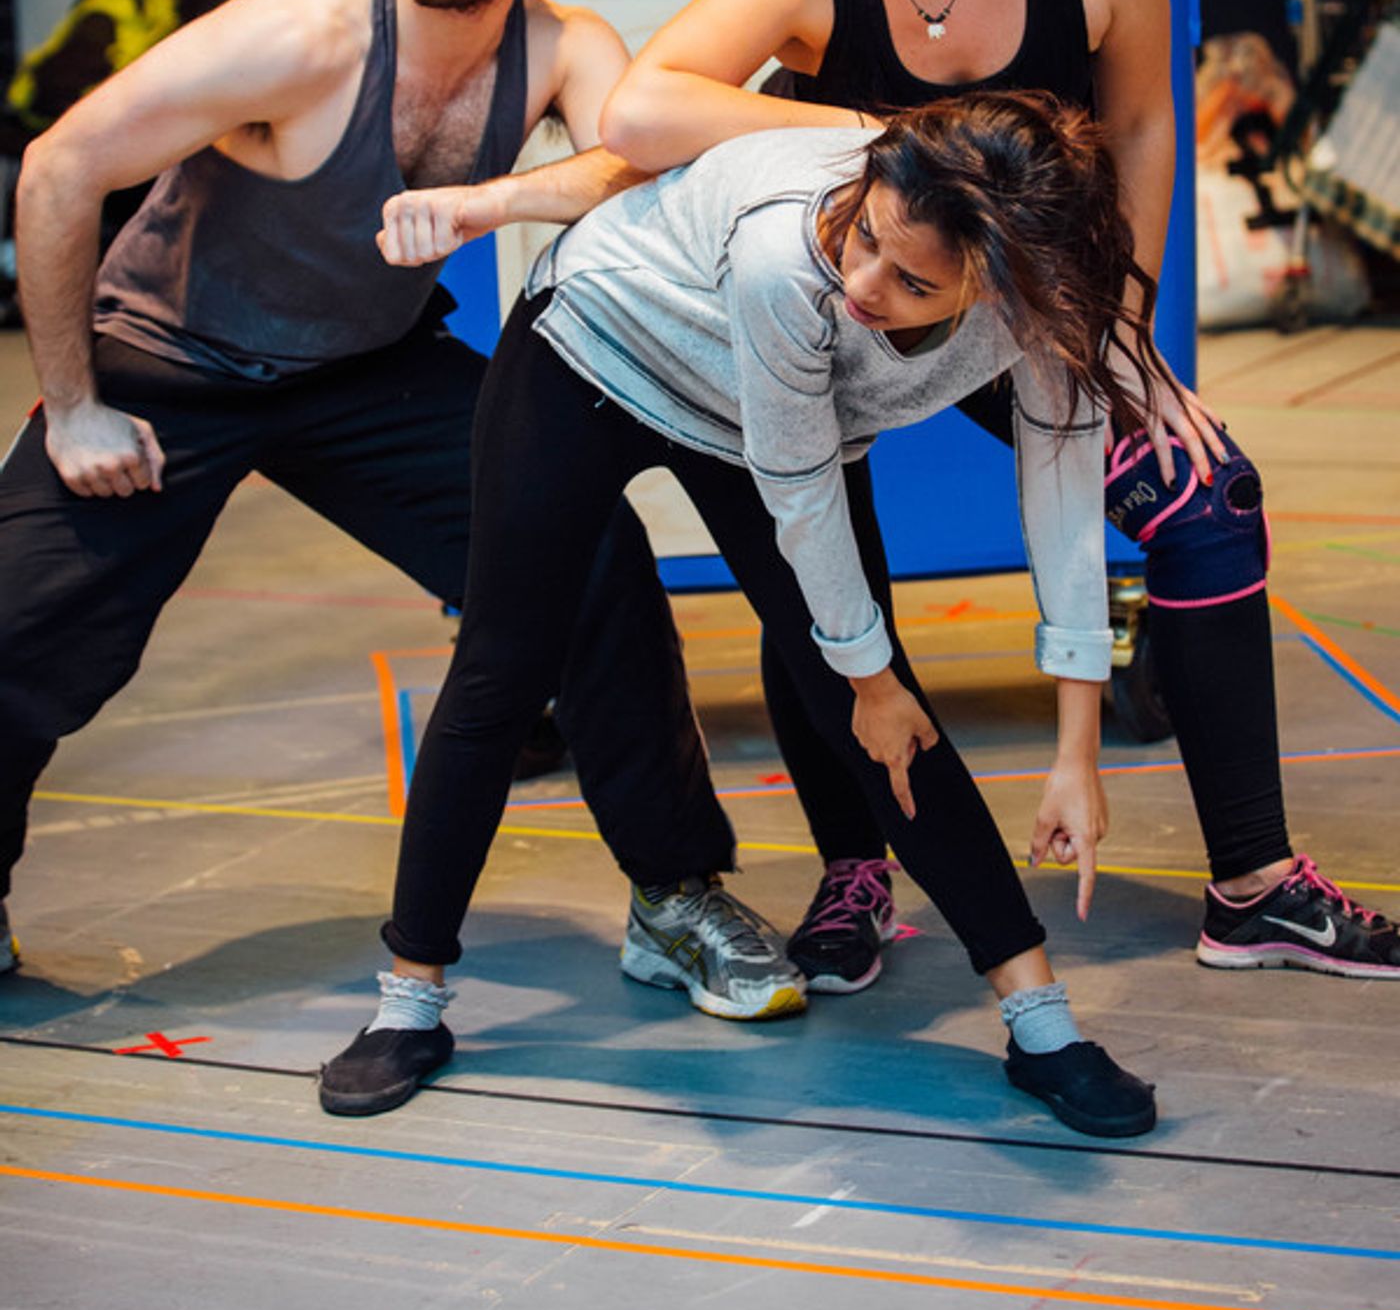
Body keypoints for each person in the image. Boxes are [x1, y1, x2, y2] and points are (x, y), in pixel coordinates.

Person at [598, 0, 1400, 992]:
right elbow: (637, 113)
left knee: (1210, 501)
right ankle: (859, 870)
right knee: (819, 583)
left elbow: (1141, 121)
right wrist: (890, 137)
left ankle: (1255, 884)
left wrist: (1118, 320)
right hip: (844, 305)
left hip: (1021, 306)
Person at [0, 0, 748, 989]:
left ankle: (674, 892)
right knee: (17, 630)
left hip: (365, 369)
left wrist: (491, 201)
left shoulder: (561, 47)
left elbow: (649, 163)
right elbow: (59, 167)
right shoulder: (302, 34)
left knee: (591, 561)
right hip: (169, 360)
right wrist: (74, 404)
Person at [321, 94, 1163, 1136]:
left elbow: (1062, 498)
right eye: (862, 237)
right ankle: (409, 1002)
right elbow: (798, 484)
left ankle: (1041, 1027)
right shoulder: (785, 254)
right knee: (504, 668)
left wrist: (1074, 745)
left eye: (909, 282)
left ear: (1005, 281)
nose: (859, 287)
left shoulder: (1047, 302)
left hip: (766, 406)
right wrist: (869, 680)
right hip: (598, 344)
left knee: (878, 708)